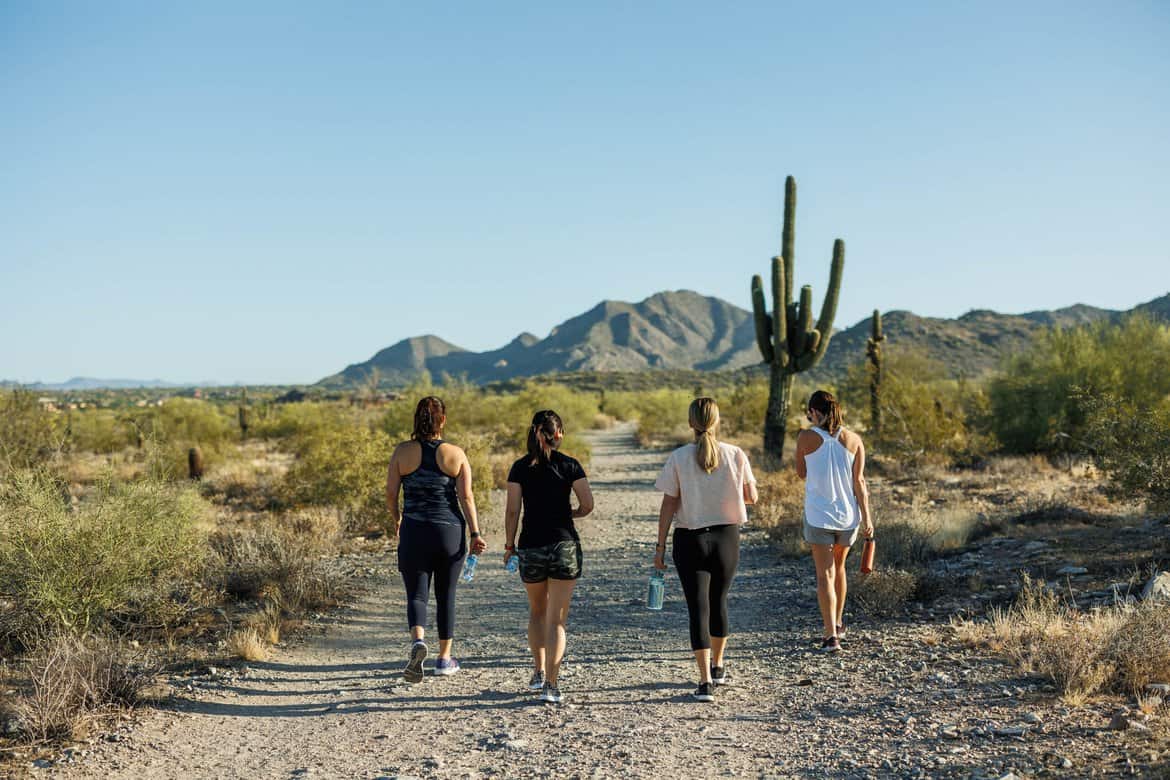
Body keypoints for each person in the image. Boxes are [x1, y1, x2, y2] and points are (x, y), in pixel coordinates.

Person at [653, 397, 758, 702]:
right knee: (719, 601)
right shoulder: (736, 454)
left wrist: (659, 547)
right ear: (717, 420)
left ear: (691, 423)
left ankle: (704, 682)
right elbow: (751, 497)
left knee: (697, 608)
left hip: (690, 539)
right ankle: (719, 665)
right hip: (727, 538)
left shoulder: (679, 457)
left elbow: (669, 505)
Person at [386, 396, 487, 682]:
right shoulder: (456, 453)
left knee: (417, 594)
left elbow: (391, 494)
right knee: (446, 596)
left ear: (416, 419)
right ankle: (444, 659)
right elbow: (466, 497)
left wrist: (397, 520)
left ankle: (418, 641)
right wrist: (475, 532)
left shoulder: (402, 452)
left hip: (415, 529)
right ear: (442, 420)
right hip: (449, 531)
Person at [503, 410, 594, 704]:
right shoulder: (570, 465)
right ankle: (551, 686)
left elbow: (513, 510)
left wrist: (508, 544)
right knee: (557, 620)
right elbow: (588, 504)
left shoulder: (518, 468)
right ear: (559, 435)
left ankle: (538, 671)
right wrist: (573, 513)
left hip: (530, 545)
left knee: (536, 611)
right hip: (564, 545)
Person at [794, 390, 874, 653]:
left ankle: (830, 636)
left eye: (809, 413)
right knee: (839, 569)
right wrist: (868, 518)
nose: (808, 417)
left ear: (815, 412)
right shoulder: (854, 440)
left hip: (819, 516)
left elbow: (801, 472)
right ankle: (838, 623)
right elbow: (859, 482)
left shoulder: (805, 438)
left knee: (823, 575)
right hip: (848, 516)